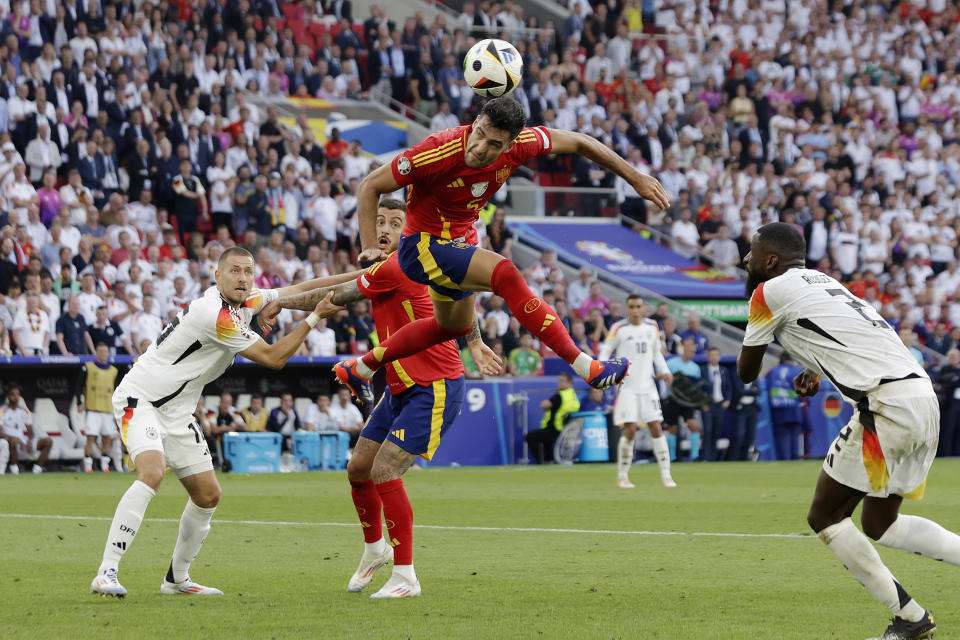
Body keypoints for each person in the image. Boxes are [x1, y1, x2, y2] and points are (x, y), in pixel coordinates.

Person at [334, 98, 670, 402]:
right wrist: (368, 247)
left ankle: (360, 368)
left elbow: (581, 142)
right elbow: (370, 186)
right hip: (421, 245)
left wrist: (634, 176)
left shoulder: (524, 145)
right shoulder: (438, 149)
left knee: (450, 327)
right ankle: (587, 367)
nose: (479, 147)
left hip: (459, 242)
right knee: (506, 273)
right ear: (476, 120)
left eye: (493, 143)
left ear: (510, 144)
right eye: (478, 133)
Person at [259, 197, 496, 599]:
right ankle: (375, 550)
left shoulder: (403, 265)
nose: (384, 229)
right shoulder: (395, 265)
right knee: (358, 470)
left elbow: (334, 293)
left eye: (393, 223)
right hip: (401, 385)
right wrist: (275, 295)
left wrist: (279, 301)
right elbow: (333, 283)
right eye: (379, 221)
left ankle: (406, 577)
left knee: (385, 471)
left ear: (408, 230)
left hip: (434, 385)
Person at [738, 222, 960, 640]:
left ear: (771, 260)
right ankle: (911, 617)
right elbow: (849, 335)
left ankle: (910, 618)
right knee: (881, 523)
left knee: (825, 515)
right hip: (920, 398)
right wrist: (816, 368)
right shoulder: (823, 281)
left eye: (751, 252)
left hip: (886, 409)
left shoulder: (767, 292)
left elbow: (747, 372)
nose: (744, 260)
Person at [89, 246, 347, 598]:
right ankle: (106, 571)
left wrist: (368, 276)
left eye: (248, 272)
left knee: (208, 495)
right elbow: (274, 358)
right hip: (142, 400)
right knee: (152, 472)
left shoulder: (245, 301)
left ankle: (177, 580)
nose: (242, 278)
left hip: (177, 411)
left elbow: (301, 289)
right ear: (217, 275)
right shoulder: (216, 315)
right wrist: (315, 317)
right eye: (235, 271)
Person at [598, 295, 675, 488]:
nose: (634, 310)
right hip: (627, 388)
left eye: (638, 306)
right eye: (631, 306)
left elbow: (657, 352)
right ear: (627, 308)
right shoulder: (619, 329)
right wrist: (601, 371)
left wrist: (665, 370)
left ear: (643, 308)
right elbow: (605, 350)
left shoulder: (652, 327)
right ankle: (622, 476)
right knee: (630, 429)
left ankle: (666, 475)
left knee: (656, 427)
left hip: (648, 386)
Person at [77, 342, 121, 473]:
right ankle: (88, 466)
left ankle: (105, 466)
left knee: (107, 438)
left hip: (107, 410)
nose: (103, 354)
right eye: (100, 351)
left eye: (105, 351)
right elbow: (78, 386)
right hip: (93, 410)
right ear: (95, 353)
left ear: (108, 353)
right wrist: (79, 402)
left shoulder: (114, 371)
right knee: (91, 437)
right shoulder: (88, 367)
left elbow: (117, 391)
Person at [525, 372, 580, 464]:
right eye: (559, 380)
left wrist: (545, 405)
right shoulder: (573, 396)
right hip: (566, 431)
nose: (559, 383)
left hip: (556, 429)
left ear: (569, 383)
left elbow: (544, 405)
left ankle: (541, 462)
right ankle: (550, 460)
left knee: (530, 437)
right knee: (547, 441)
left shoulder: (560, 395)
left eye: (562, 381)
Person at [0, 383, 52, 475]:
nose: (15, 397)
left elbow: (30, 430)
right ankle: (14, 469)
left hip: (23, 442)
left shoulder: (25, 410)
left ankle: (37, 469)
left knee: (48, 441)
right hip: (10, 442)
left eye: (17, 395)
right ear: (8, 396)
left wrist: (29, 441)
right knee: (13, 441)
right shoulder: (2, 411)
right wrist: (15, 439)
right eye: (13, 395)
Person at [765, 353, 806, 461]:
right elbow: (804, 391)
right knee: (794, 436)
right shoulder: (796, 371)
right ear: (790, 360)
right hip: (794, 409)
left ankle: (784, 460)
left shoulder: (772, 372)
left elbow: (767, 388)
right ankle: (794, 460)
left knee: (782, 437)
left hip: (778, 409)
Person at [700, 347, 732, 462]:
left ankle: (713, 458)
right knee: (707, 430)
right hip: (708, 405)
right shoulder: (703, 370)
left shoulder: (724, 370)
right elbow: (699, 388)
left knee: (716, 431)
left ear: (719, 357)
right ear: (708, 357)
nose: (714, 357)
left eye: (716, 355)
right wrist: (702, 403)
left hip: (719, 405)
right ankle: (705, 457)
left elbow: (729, 387)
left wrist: (727, 400)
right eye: (711, 355)